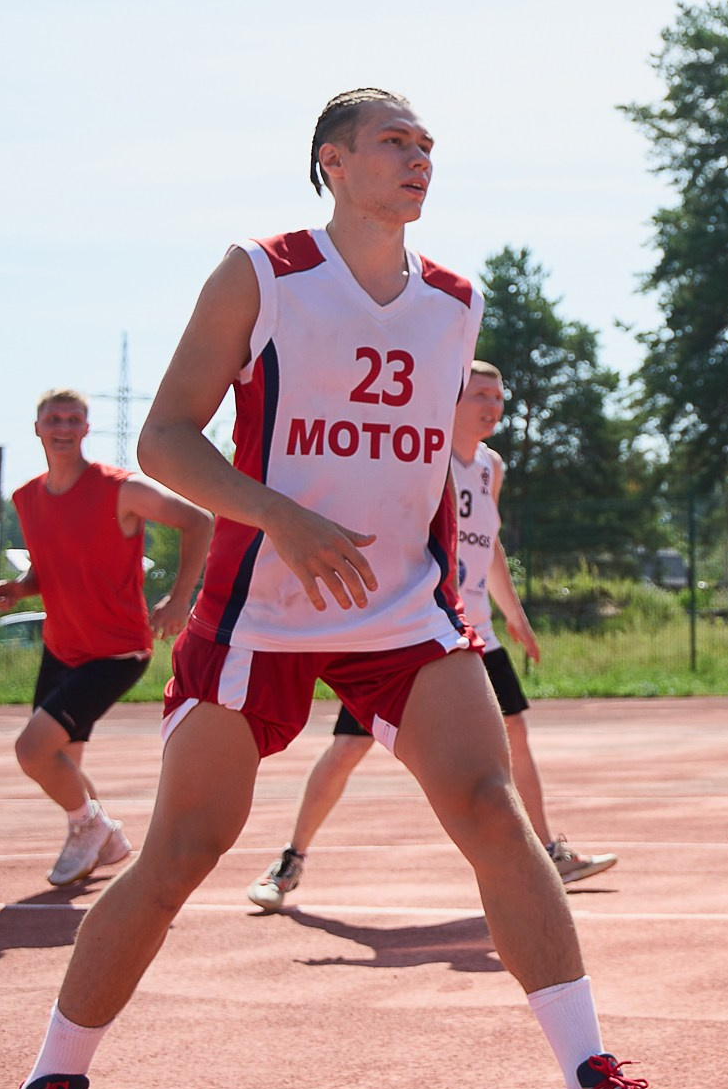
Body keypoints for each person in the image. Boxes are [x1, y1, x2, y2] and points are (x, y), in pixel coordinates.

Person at [0, 89, 690, 1089]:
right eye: (394, 143)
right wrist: (277, 513)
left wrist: (455, 580)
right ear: (334, 162)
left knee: (492, 807)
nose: (418, 159)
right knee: (182, 851)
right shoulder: (262, 274)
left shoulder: (455, 302)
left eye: (427, 145)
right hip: (257, 608)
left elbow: (418, 464)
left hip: (404, 609)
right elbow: (169, 440)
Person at [248, 359, 617, 910]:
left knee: (515, 732)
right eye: (479, 394)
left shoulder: (490, 465)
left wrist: (513, 614)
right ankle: (290, 860)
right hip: (414, 627)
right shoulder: (422, 455)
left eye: (498, 394)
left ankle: (549, 851)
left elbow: (487, 543)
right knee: (350, 746)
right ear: (450, 399)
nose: (492, 405)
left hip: (474, 631)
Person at [0, 389, 215, 888]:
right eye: (54, 418)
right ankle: (104, 839)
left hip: (116, 650)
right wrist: (20, 588)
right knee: (59, 761)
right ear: (37, 428)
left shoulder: (120, 490)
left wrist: (181, 600)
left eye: (73, 418)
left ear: (86, 429)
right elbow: (49, 570)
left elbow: (199, 520)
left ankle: (92, 826)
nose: (63, 426)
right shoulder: (27, 498)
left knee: (33, 752)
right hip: (61, 646)